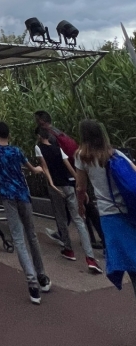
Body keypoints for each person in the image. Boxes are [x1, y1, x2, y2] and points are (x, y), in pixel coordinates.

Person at [0, 121, 51, 304]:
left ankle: (32, 284)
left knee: (18, 238)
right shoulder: (17, 151)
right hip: (23, 194)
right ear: (9, 134)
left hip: (7, 196)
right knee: (32, 236)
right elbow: (32, 169)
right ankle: (42, 276)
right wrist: (41, 169)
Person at [75, 119, 136, 296]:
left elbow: (80, 187)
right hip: (130, 211)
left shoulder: (81, 156)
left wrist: (81, 205)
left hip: (110, 216)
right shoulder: (115, 153)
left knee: (130, 263)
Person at [34, 108, 104, 249]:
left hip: (67, 176)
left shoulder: (50, 136)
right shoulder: (60, 132)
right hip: (76, 173)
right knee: (80, 206)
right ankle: (90, 237)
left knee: (83, 207)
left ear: (42, 122)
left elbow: (58, 158)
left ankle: (77, 241)